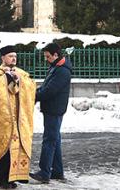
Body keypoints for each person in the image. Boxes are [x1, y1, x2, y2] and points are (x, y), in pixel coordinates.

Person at [0, 45, 35, 189]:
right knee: (5, 151)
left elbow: (31, 86)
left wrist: (20, 80)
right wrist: (7, 76)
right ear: (3, 58)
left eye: (15, 56)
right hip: (3, 121)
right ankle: (3, 179)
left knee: (17, 150)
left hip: (18, 120)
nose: (13, 58)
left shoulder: (21, 73)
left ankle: (14, 177)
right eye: (10, 56)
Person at [30, 43, 72, 184]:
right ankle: (57, 172)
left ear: (55, 55)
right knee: (55, 140)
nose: (46, 59)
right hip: (52, 108)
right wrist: (36, 92)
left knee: (49, 140)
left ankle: (44, 172)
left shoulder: (62, 71)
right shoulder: (56, 66)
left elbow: (50, 91)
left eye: (48, 56)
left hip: (54, 109)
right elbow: (46, 86)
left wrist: (33, 96)